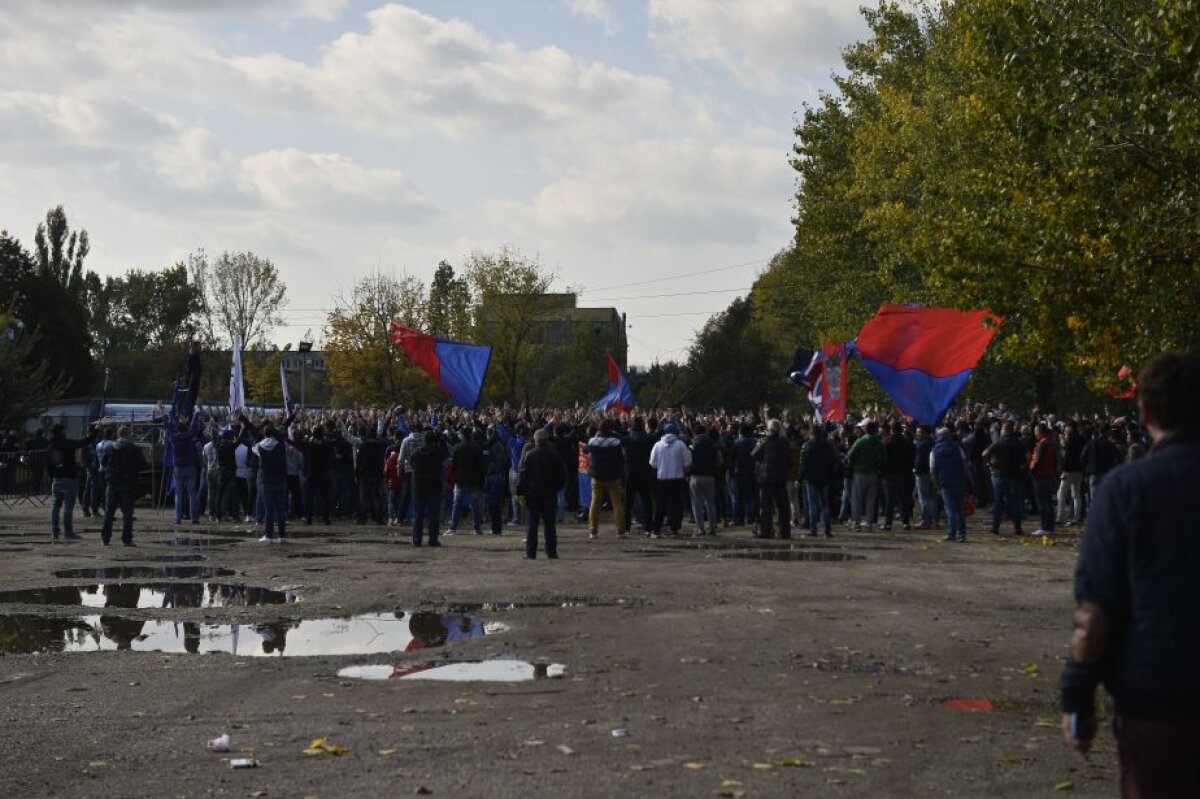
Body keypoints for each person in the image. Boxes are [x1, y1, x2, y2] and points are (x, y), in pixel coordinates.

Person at [1060, 352, 1200, 797]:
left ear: (1144, 411)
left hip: (1160, 706)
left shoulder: (1126, 489)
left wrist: (1077, 700)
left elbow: (1095, 612)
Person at [516, 428, 565, 559]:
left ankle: (531, 553)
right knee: (550, 525)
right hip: (549, 494)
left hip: (533, 494)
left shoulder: (529, 455)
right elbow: (562, 475)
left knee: (532, 525)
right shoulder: (554, 454)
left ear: (535, 439)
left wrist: (520, 495)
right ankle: (551, 552)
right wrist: (556, 488)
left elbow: (523, 477)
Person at [100, 425, 146, 546]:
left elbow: (103, 463)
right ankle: (127, 539)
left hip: (112, 483)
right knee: (127, 513)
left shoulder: (110, 448)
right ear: (128, 434)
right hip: (127, 483)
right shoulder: (134, 449)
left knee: (109, 512)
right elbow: (142, 465)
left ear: (118, 435)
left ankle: (106, 538)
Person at [583, 420, 626, 539]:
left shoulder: (593, 441)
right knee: (617, 504)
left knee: (595, 504)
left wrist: (595, 437)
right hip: (613, 476)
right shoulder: (616, 442)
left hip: (597, 476)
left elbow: (585, 450)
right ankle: (621, 531)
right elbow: (621, 459)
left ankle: (593, 531)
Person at [648, 422, 691, 538]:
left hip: (662, 478)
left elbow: (652, 463)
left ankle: (656, 530)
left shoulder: (657, 445)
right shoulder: (681, 445)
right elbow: (687, 462)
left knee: (660, 505)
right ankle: (675, 529)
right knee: (676, 505)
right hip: (677, 478)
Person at [983, 420, 1026, 535]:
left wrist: (990, 463)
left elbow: (985, 453)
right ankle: (1018, 528)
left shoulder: (999, 442)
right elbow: (1027, 456)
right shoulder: (1018, 443)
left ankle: (995, 527)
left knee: (998, 503)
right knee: (1014, 503)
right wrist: (1022, 466)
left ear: (1005, 429)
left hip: (1000, 475)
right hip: (1014, 476)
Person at [47, 424, 88, 541]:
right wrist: (93, 434)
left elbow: (48, 465)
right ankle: (68, 531)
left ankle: (55, 532)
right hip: (70, 478)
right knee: (68, 507)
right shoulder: (68, 444)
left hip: (57, 479)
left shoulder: (50, 446)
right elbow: (82, 443)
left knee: (56, 506)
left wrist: (53, 477)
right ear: (62, 432)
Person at [752, 419, 791, 539]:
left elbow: (754, 454)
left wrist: (764, 440)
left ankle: (766, 531)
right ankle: (785, 531)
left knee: (766, 506)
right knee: (783, 506)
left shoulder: (765, 441)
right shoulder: (784, 442)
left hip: (766, 477)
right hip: (780, 477)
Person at [930, 427, 969, 543]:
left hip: (945, 483)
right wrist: (966, 479)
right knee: (960, 509)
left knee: (950, 510)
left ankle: (951, 534)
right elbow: (965, 464)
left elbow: (932, 470)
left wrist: (937, 485)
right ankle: (961, 534)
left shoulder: (934, 450)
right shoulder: (957, 448)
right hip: (959, 481)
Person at [409, 429, 447, 547]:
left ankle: (417, 539)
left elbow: (411, 464)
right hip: (434, 485)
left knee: (418, 515)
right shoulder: (438, 453)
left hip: (419, 486)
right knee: (433, 515)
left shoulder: (415, 453)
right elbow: (445, 460)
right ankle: (433, 539)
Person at [846, 421, 886, 531]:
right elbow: (884, 457)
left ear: (865, 430)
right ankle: (869, 523)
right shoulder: (879, 443)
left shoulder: (860, 441)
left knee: (857, 499)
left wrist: (854, 463)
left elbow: (850, 454)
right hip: (873, 473)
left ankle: (856, 523)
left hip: (859, 473)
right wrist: (877, 464)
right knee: (871, 500)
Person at [447, 428, 486, 536]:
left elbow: (454, 466)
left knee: (456, 504)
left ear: (463, 436)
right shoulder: (477, 449)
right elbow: (481, 466)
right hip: (474, 480)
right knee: (474, 505)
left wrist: (454, 479)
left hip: (460, 480)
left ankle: (453, 527)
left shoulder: (457, 448)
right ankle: (477, 528)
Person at [800, 425, 835, 538]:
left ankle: (813, 529)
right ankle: (827, 530)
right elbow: (833, 461)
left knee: (812, 505)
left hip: (811, 478)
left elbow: (804, 464)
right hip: (824, 478)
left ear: (811, 433)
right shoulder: (828, 446)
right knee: (825, 505)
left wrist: (800, 477)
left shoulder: (807, 446)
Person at [687, 423, 720, 537]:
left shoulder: (692, 445)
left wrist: (688, 473)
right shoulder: (713, 444)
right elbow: (719, 461)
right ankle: (713, 528)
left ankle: (700, 529)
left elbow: (688, 462)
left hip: (695, 476)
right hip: (710, 476)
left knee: (697, 504)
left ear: (695, 433)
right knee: (711, 503)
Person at [1029, 422, 1059, 536]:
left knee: (1043, 502)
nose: (1034, 432)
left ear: (1040, 431)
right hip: (1048, 474)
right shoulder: (1051, 442)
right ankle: (1050, 526)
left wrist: (1032, 470)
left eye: (1036, 430)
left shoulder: (1042, 444)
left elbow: (1039, 461)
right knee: (1048, 502)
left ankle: (1045, 526)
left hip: (1041, 475)